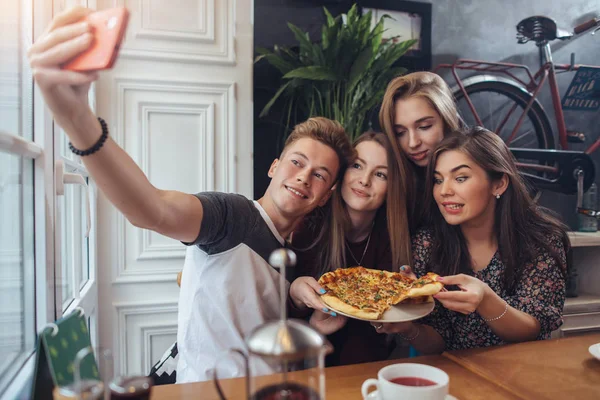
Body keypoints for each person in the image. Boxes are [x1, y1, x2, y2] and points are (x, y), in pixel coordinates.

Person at [28, 6, 356, 382]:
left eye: (319, 175)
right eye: (297, 163)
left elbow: (256, 339)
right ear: (273, 166)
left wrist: (313, 326)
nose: (303, 178)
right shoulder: (231, 216)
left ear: (326, 195)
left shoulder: (299, 252)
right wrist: (79, 122)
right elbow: (153, 210)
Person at [371, 127, 570, 353]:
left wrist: (485, 299)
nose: (444, 191)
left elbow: (533, 328)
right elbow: (437, 345)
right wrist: (407, 325)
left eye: (460, 178)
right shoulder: (427, 243)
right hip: (457, 377)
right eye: (438, 180)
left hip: (522, 374)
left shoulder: (541, 240)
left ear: (499, 184)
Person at [288, 131, 413, 366]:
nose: (364, 180)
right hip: (306, 364)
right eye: (357, 165)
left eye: (380, 174)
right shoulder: (308, 224)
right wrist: (313, 327)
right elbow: (281, 317)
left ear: (392, 188)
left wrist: (405, 302)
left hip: (371, 369)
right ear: (342, 171)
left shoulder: (392, 235)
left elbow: (380, 337)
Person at [379, 71, 461, 228]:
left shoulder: (477, 169)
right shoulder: (393, 181)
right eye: (400, 133)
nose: (412, 143)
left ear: (446, 120)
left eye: (424, 127)